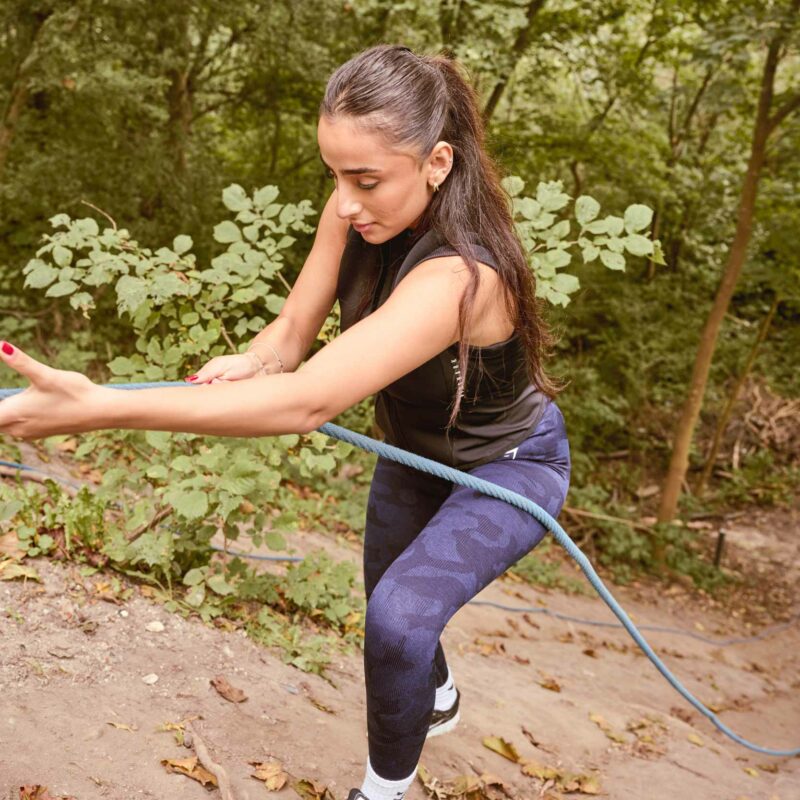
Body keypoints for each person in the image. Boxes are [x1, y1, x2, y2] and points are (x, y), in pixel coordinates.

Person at [0, 45, 570, 800]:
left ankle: (381, 789)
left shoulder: (462, 278)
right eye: (335, 174)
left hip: (509, 465)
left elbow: (308, 404)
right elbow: (293, 334)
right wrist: (256, 358)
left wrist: (96, 407)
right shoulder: (353, 213)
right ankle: (434, 694)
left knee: (398, 623)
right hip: (410, 452)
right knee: (390, 614)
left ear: (436, 162)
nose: (344, 202)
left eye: (365, 179)